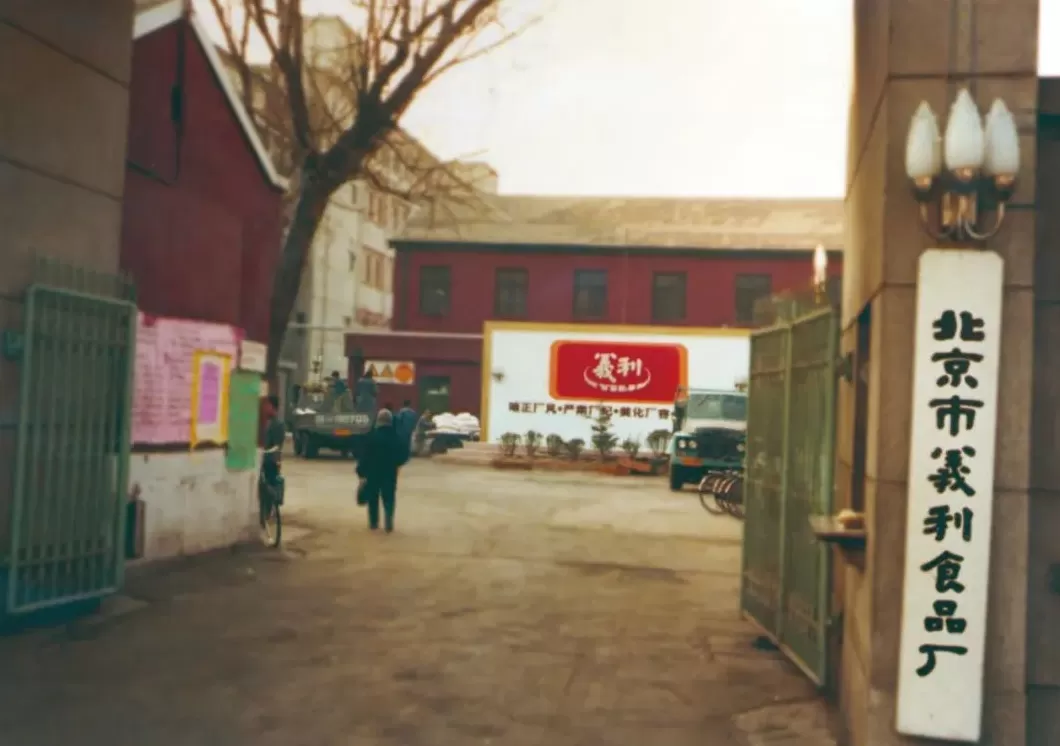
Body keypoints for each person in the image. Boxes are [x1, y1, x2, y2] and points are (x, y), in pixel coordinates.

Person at [356, 409, 407, 533]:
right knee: (389, 497)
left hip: (373, 473)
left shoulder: (371, 436)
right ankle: (388, 523)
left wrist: (361, 471)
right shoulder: (396, 437)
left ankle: (374, 523)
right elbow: (404, 454)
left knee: (373, 497)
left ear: (378, 421)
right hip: (390, 472)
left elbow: (364, 456)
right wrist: (397, 463)